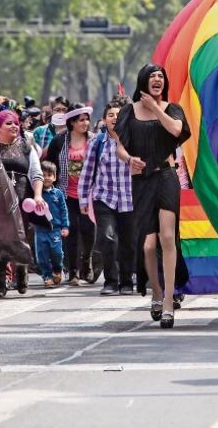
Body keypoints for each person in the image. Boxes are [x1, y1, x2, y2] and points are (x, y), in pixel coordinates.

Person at [114, 64, 191, 329]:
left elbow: (177, 131)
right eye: (152, 77)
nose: (157, 80)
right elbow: (120, 147)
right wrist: (129, 160)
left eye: (161, 77)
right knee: (148, 246)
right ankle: (156, 292)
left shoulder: (172, 108)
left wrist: (157, 108)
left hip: (167, 177)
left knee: (168, 237)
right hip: (141, 181)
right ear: (143, 81)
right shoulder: (128, 111)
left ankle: (169, 302)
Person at [79, 100, 135, 295]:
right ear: (104, 119)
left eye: (118, 114)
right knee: (107, 237)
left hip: (130, 198)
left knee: (128, 241)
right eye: (110, 115)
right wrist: (83, 199)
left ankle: (127, 281)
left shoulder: (134, 140)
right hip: (104, 197)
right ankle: (111, 281)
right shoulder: (97, 142)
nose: (114, 118)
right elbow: (87, 172)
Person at [0, 109, 44, 297]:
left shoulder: (27, 148)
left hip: (23, 202)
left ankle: (21, 273)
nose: (14, 126)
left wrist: (38, 195)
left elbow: (36, 174)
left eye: (15, 123)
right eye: (8, 123)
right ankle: (1, 283)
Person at [43, 104, 94, 285]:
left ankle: (86, 262)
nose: (86, 123)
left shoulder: (94, 140)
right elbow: (49, 165)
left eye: (87, 119)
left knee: (89, 231)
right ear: (72, 123)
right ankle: (73, 272)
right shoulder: (58, 141)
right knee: (70, 233)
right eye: (81, 120)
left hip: (89, 195)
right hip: (65, 195)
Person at [36, 161, 69, 288]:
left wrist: (65, 226)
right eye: (43, 175)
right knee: (42, 255)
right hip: (40, 229)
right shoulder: (37, 194)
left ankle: (57, 269)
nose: (46, 178)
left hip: (55, 229)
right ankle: (47, 276)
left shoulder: (58, 194)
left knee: (57, 253)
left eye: (49, 175)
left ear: (55, 177)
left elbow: (63, 210)